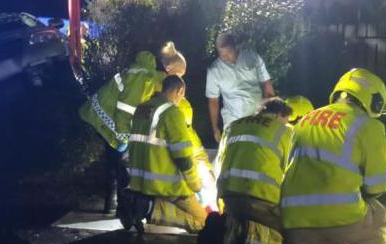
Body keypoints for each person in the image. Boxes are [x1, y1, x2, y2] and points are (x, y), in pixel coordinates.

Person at [271, 68, 386, 244]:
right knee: (378, 217)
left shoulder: (305, 120)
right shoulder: (369, 125)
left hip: (295, 218)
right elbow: (377, 186)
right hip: (342, 216)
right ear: (374, 99)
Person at [79, 42, 186, 213]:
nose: (179, 81)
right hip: (106, 116)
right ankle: (123, 207)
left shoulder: (149, 76)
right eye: (179, 75)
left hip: (106, 114)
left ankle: (115, 204)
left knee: (116, 162)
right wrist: (123, 137)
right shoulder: (142, 77)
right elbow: (125, 109)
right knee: (120, 162)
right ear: (169, 68)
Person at [128, 75, 208, 232]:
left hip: (141, 183)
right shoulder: (172, 112)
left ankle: (141, 205)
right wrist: (196, 186)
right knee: (204, 222)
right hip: (166, 186)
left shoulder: (141, 109)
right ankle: (149, 209)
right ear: (180, 90)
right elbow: (183, 157)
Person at [216, 98, 294, 244]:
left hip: (229, 199)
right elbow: (294, 171)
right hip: (263, 202)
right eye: (286, 119)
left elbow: (220, 161)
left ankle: (233, 228)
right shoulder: (285, 132)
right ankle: (240, 233)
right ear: (280, 113)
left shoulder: (233, 126)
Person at [206, 32, 275, 143]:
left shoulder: (252, 58)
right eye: (221, 53)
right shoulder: (214, 70)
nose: (224, 57)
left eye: (228, 52)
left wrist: (273, 112)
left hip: (257, 117)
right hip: (233, 121)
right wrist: (215, 128)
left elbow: (266, 84)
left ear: (235, 47)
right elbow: (213, 101)